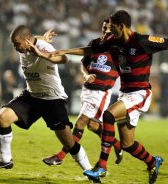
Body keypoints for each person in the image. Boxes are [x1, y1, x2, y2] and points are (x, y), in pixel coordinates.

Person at [51, 10, 168, 184]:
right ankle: (153, 162)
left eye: (112, 27)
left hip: (140, 93)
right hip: (126, 93)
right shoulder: (112, 42)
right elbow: (90, 50)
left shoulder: (142, 41)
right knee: (127, 144)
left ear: (121, 26)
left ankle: (101, 166)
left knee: (108, 115)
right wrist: (63, 51)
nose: (109, 31)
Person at [0, 25, 97, 182]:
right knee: (2, 118)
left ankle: (90, 171)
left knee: (69, 142)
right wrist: (40, 37)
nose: (15, 48)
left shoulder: (44, 47)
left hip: (53, 99)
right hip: (32, 96)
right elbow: (29, 36)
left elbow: (64, 58)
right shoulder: (25, 45)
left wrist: (41, 54)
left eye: (17, 44)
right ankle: (5, 160)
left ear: (26, 40)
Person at [42, 19, 123, 167]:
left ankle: (60, 156)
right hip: (87, 89)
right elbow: (83, 63)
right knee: (92, 125)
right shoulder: (96, 43)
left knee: (80, 123)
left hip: (101, 92)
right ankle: (117, 145)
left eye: (109, 29)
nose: (106, 31)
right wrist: (86, 75)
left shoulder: (118, 48)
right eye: (104, 28)